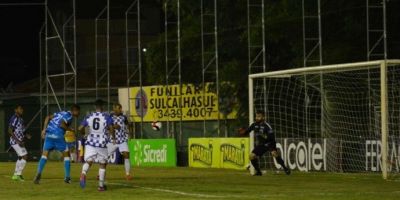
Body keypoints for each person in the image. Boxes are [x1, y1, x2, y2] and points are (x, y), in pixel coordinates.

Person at [33, 104, 81, 184]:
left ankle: (38, 173)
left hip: (49, 134)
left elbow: (48, 117)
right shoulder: (69, 116)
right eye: (78, 112)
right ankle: (67, 178)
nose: (79, 114)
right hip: (58, 135)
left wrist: (44, 130)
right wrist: (71, 130)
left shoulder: (60, 113)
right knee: (67, 156)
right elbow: (61, 124)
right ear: (75, 111)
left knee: (44, 155)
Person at [239, 111, 290, 176]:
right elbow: (247, 131)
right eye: (256, 116)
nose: (257, 118)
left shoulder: (266, 126)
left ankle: (285, 168)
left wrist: (264, 136)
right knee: (251, 156)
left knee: (274, 154)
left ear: (263, 117)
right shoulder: (254, 125)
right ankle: (259, 172)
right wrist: (243, 132)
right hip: (261, 144)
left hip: (270, 143)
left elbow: (272, 136)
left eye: (259, 116)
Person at [79, 99, 115, 191]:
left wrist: (83, 134)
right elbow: (111, 127)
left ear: (95, 107)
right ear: (102, 107)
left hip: (90, 142)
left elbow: (80, 128)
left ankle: (83, 173)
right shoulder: (106, 117)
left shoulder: (89, 116)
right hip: (101, 143)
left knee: (89, 161)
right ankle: (101, 186)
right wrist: (113, 137)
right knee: (103, 164)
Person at [107, 103, 132, 180]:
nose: (117, 110)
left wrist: (129, 133)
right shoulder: (110, 117)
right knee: (104, 157)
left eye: (119, 109)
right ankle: (99, 174)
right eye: (116, 109)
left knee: (126, 154)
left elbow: (129, 125)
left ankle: (127, 174)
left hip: (122, 140)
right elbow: (107, 127)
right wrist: (114, 126)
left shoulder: (124, 117)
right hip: (112, 141)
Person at [9, 105, 31, 181]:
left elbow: (22, 130)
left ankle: (16, 175)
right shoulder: (14, 118)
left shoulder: (21, 119)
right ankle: (18, 174)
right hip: (15, 141)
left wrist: (26, 135)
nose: (22, 110)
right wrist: (17, 141)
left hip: (20, 141)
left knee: (20, 157)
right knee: (25, 156)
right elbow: (10, 130)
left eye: (22, 109)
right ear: (16, 110)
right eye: (20, 109)